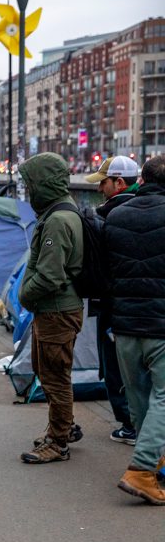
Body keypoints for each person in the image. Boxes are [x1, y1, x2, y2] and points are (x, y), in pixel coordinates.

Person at [104, 155, 165, 505]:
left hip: (125, 324)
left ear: (142, 179)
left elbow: (105, 270)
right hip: (160, 323)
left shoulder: (116, 214)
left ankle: (153, 465)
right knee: (163, 396)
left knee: (139, 397)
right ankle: (142, 469)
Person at [17, 153, 84, 465]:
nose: (28, 192)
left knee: (55, 377)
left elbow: (50, 275)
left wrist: (25, 296)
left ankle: (58, 442)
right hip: (58, 310)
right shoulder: (64, 212)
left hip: (56, 311)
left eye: (31, 185)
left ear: (42, 184)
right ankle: (63, 426)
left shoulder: (57, 221)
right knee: (54, 373)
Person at [85, 156, 141, 444]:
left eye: (104, 182)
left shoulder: (106, 216)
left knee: (115, 370)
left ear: (119, 182)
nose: (99, 189)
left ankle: (128, 425)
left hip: (113, 307)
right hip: (149, 308)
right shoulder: (152, 209)